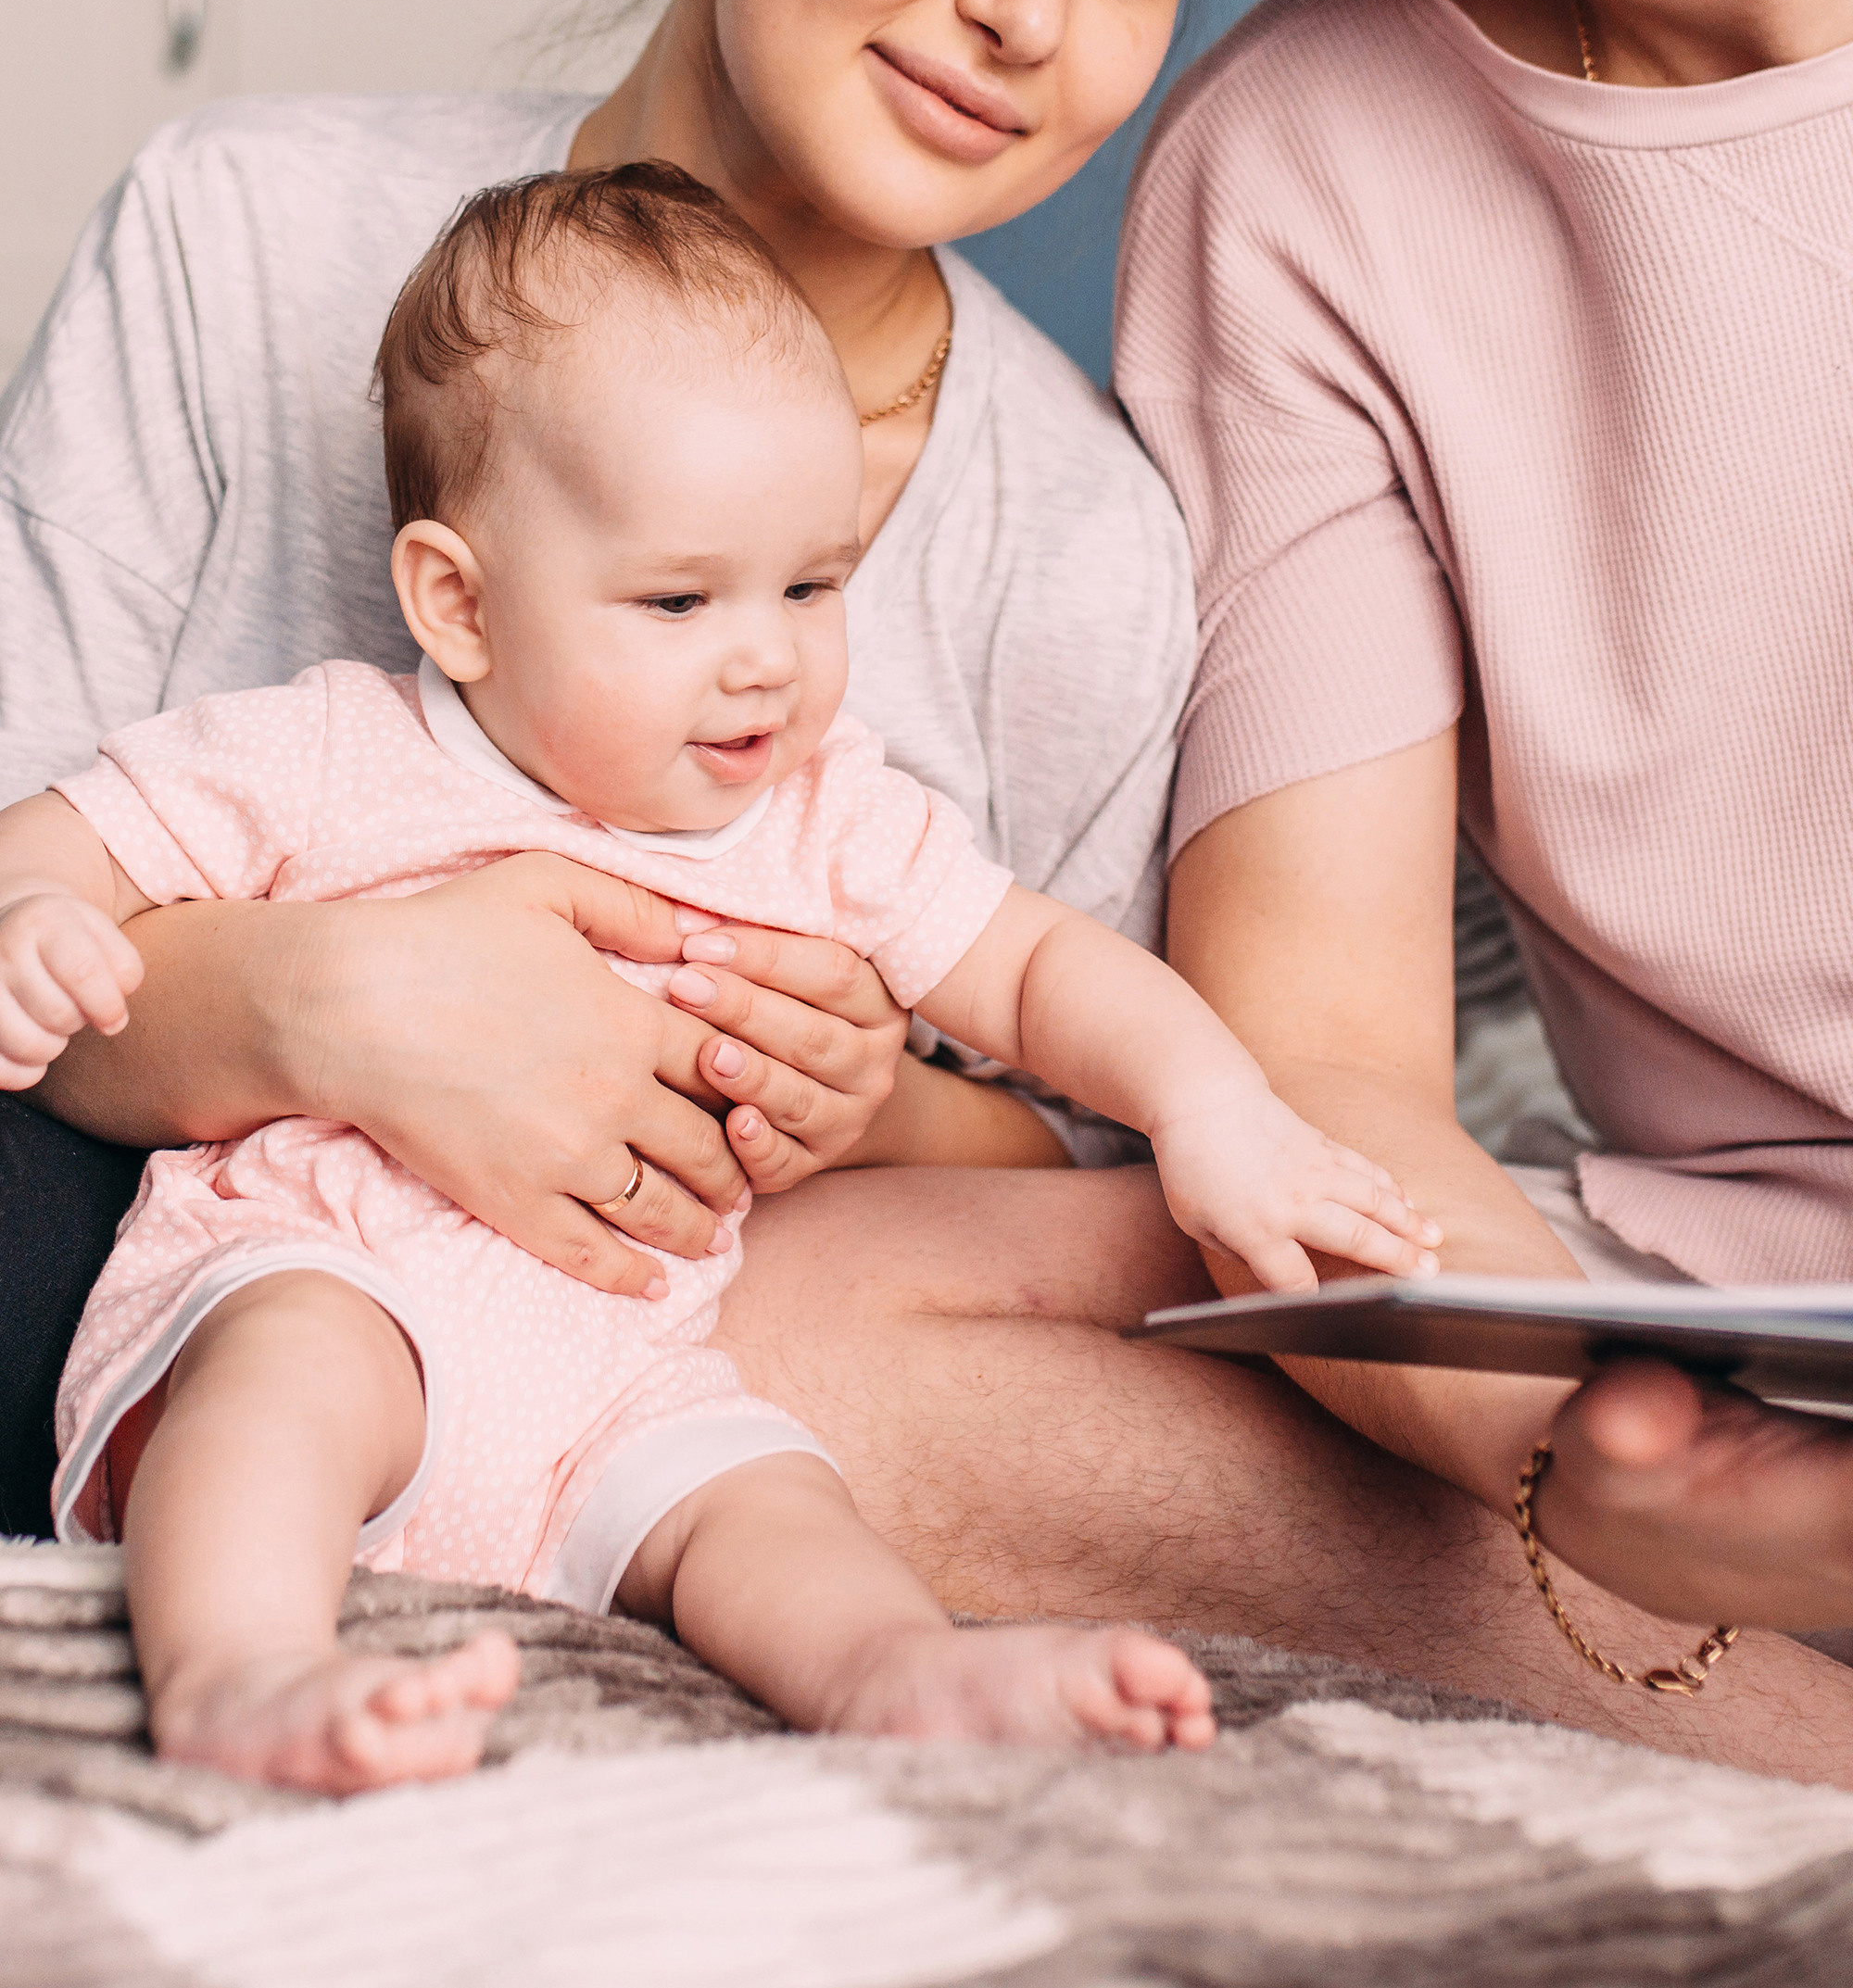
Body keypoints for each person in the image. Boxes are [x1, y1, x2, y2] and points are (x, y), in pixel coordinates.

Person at [0, 0, 1239, 1515]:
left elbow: (1079, 1149)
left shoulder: (1081, 548)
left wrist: (863, 1102)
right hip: (137, 1276)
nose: (1028, 11)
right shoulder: (241, 241)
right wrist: (326, 1002)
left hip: (645, 1387)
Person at [0, 162, 1439, 1791]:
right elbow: (61, 837)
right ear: (458, 603)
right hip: (333, 1262)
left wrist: (1210, 1105)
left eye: (811, 585)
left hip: (621, 1363)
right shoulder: (341, 748)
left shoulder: (825, 814)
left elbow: (1041, 970)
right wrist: (43, 914)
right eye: (680, 598)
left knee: (766, 1490)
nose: (766, 657)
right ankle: (242, 1669)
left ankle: (900, 1671)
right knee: (286, 1382)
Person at [1116, 0, 1853, 1696]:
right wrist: (1599, 1464)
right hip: (1685, 1334)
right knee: (841, 1311)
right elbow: (1320, 1061)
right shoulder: (1291, 166)